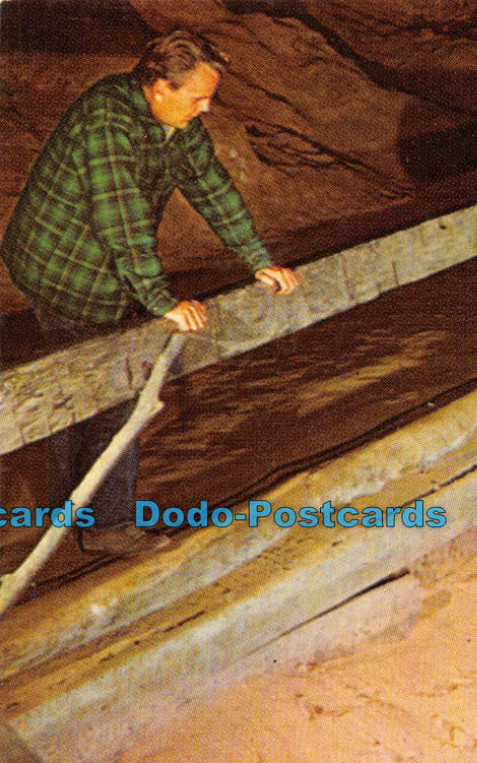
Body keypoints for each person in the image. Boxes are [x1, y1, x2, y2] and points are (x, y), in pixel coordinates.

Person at [1, 29, 299, 556]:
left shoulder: (174, 122)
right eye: (198, 97)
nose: (206, 108)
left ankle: (67, 514)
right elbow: (122, 222)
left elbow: (211, 188)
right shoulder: (107, 121)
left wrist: (259, 259)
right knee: (113, 391)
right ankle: (106, 524)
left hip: (96, 260)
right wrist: (160, 301)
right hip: (63, 267)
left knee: (81, 389)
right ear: (161, 86)